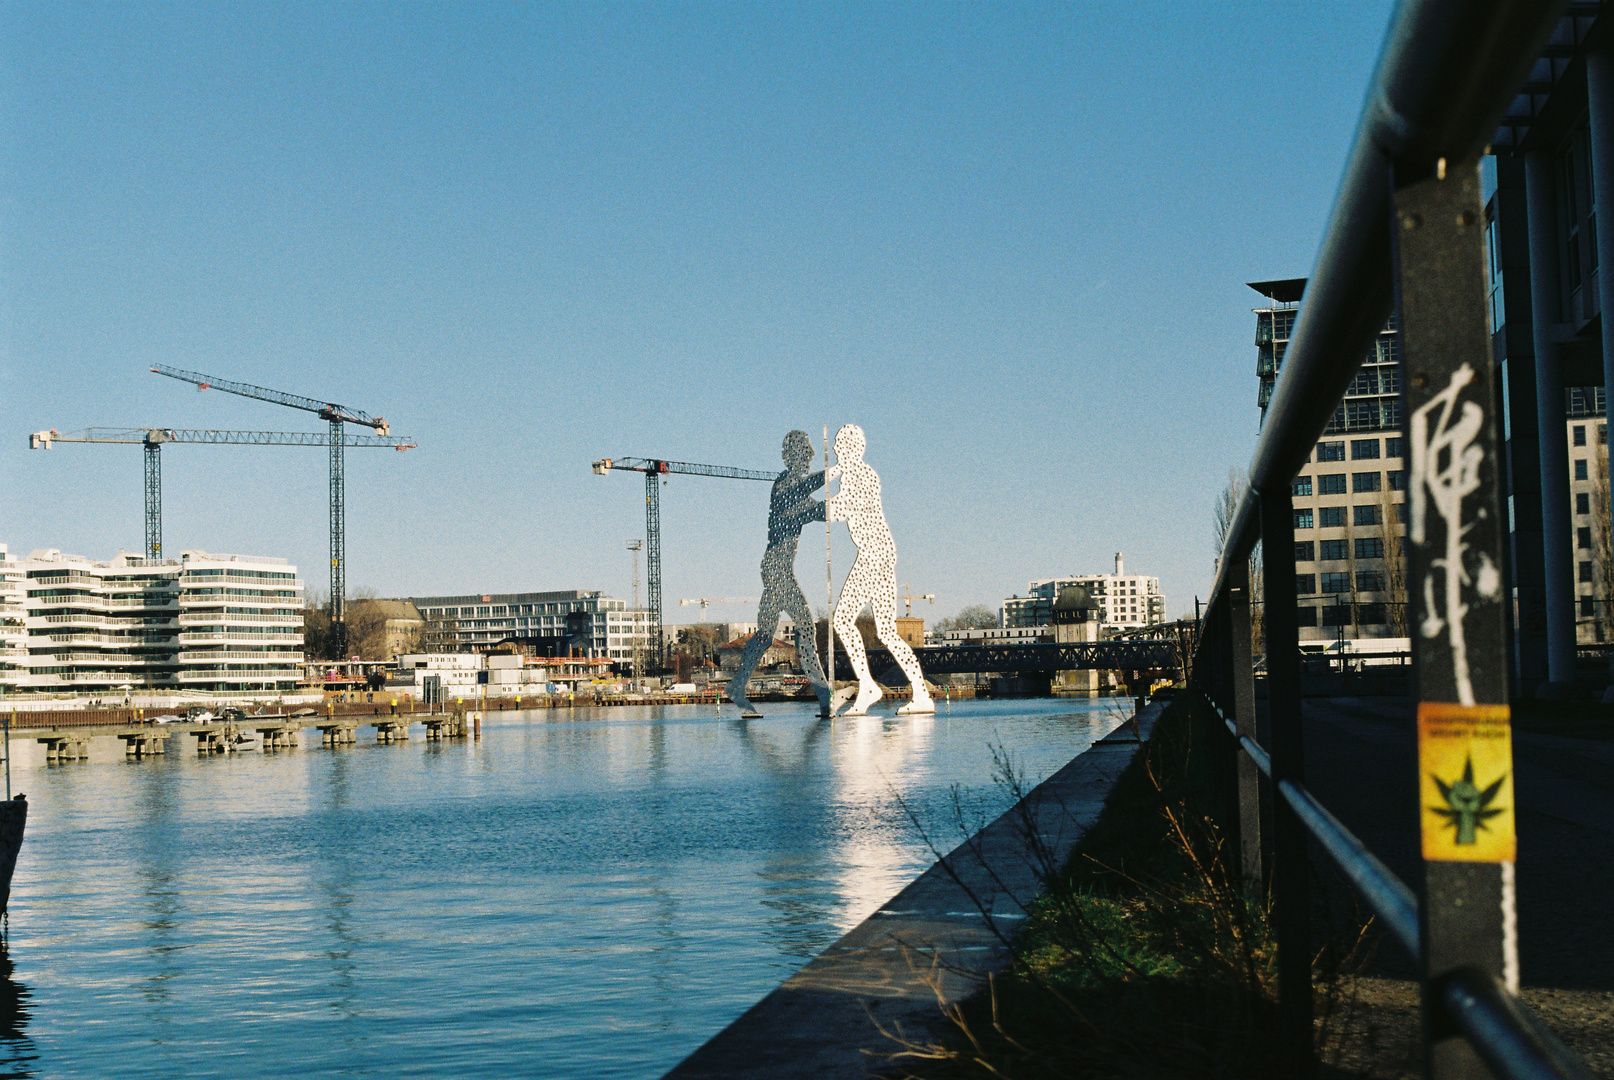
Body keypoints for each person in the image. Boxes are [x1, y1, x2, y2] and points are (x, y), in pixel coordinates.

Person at [825, 424, 933, 716]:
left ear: (853, 448)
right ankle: (920, 693)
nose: (836, 450)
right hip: (879, 554)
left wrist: (808, 509)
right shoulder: (854, 473)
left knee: (844, 621)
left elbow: (842, 508)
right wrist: (830, 474)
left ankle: (869, 686)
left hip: (874, 555)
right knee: (886, 631)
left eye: (840, 445)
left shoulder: (861, 474)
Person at [729, 430, 833, 717]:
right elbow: (802, 506)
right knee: (807, 628)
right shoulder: (784, 486)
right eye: (806, 451)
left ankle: (736, 688)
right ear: (793, 455)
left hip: (777, 569)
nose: (811, 456)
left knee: (763, 635)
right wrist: (835, 471)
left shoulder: (797, 489)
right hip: (777, 570)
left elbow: (823, 511)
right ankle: (825, 698)